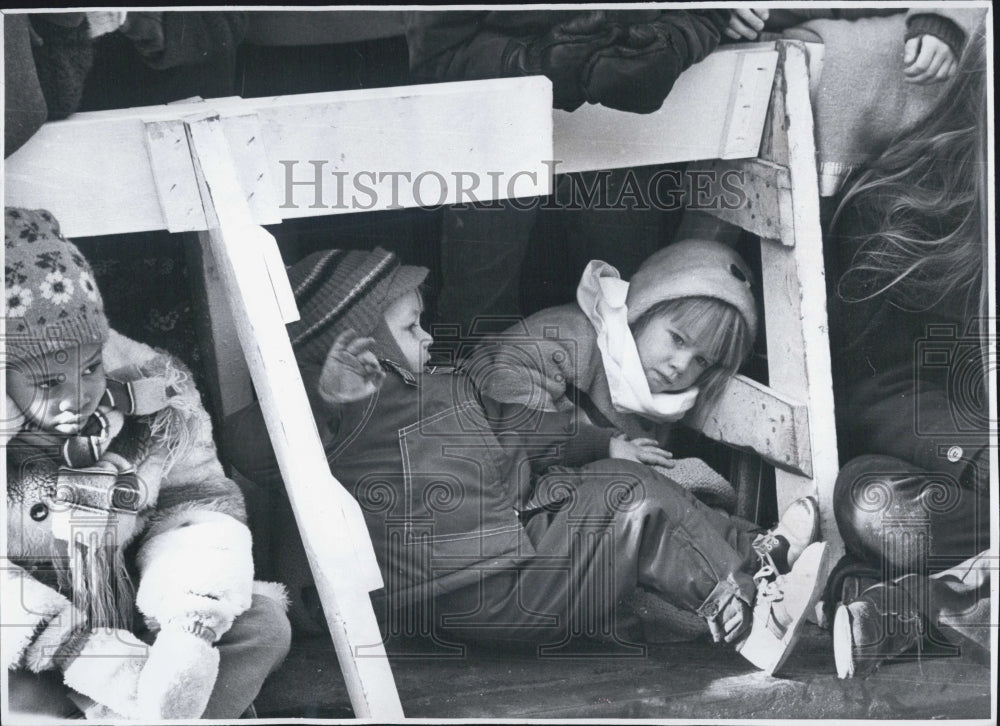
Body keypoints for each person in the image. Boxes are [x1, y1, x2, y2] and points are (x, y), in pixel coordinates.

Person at [225, 246, 830, 677]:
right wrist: (317, 393)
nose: (429, 337)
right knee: (631, 506)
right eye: (411, 327)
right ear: (353, 346)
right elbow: (251, 449)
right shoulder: (340, 413)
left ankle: (760, 553)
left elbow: (522, 429)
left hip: (507, 561)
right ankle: (750, 611)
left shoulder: (438, 390)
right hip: (476, 594)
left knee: (624, 480)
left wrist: (598, 444)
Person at [3, 208, 291, 720]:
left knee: (263, 625)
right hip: (42, 635)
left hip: (141, 601)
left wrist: (189, 617)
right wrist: (89, 657)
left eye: (89, 368)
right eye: (47, 384)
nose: (77, 398)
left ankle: (170, 700)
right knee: (18, 695)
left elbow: (195, 505)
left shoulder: (152, 410)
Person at [821, 22, 990, 671]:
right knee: (876, 506)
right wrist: (976, 454)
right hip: (949, 471)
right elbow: (873, 390)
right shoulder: (902, 196)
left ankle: (921, 610)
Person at [402, 9, 732, 340]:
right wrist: (544, 62)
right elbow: (436, 54)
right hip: (493, 144)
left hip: (618, 140)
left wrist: (680, 35)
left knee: (620, 317)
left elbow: (719, 13)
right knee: (478, 319)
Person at [468, 238, 757, 480]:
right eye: (678, 339)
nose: (681, 366)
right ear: (643, 311)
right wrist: (603, 451)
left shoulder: (661, 403)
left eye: (702, 361)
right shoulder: (563, 341)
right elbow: (518, 433)